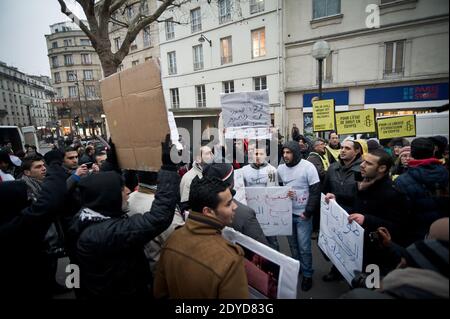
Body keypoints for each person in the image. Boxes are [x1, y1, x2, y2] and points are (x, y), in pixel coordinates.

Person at [68, 135, 180, 298]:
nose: (127, 191)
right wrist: (168, 169)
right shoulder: (106, 233)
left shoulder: (85, 216)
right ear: (108, 198)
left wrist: (112, 160)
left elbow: (104, 182)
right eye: (121, 189)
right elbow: (158, 217)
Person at [154, 176, 249, 299]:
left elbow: (160, 292)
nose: (235, 206)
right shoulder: (230, 259)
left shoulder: (173, 238)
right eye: (228, 204)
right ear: (208, 212)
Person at [0, 150, 67, 299]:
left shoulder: (41, 184)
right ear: (27, 172)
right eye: (38, 167)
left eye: (44, 165)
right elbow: (47, 203)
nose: (43, 168)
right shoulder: (24, 190)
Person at [346, 149, 409, 272]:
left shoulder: (394, 193)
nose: (362, 165)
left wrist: (366, 219)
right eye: (363, 161)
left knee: (371, 286)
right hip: (358, 247)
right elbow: (354, 202)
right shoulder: (364, 184)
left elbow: (398, 227)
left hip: (378, 255)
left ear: (382, 168)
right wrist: (336, 198)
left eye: (368, 163)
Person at [277, 141, 321, 291]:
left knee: (304, 247)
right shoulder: (280, 169)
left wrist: (308, 212)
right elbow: (277, 190)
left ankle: (308, 275)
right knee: (293, 246)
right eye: (283, 152)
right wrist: (283, 193)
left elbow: (315, 191)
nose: (285, 155)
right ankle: (298, 268)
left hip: (303, 215)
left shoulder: (308, 167)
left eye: (288, 152)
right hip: (288, 214)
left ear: (295, 152)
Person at [322, 138, 363, 282]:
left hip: (353, 216)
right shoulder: (333, 168)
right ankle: (335, 270)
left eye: (347, 148)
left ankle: (354, 277)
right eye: (342, 148)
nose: (343, 150)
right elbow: (325, 189)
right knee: (335, 245)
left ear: (357, 151)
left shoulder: (362, 169)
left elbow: (362, 195)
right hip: (334, 214)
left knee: (352, 248)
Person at [128, 170, 185, 274]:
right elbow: (182, 243)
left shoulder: (129, 199)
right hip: (164, 272)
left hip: (144, 269)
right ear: (163, 180)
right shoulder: (163, 209)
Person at [394, 137, 449, 245]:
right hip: (444, 233)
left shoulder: (402, 181)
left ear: (412, 153)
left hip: (417, 240)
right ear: (433, 151)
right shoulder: (446, 173)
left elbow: (401, 217)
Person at [203, 163, 269, 245]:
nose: (233, 207)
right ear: (231, 183)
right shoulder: (244, 214)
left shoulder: (199, 207)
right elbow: (262, 250)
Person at [241, 142, 279, 250]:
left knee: (272, 241)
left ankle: (275, 265)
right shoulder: (244, 170)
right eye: (255, 153)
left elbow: (272, 191)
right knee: (252, 241)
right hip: (250, 212)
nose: (258, 156)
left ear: (266, 155)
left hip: (267, 211)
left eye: (261, 154)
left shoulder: (271, 170)